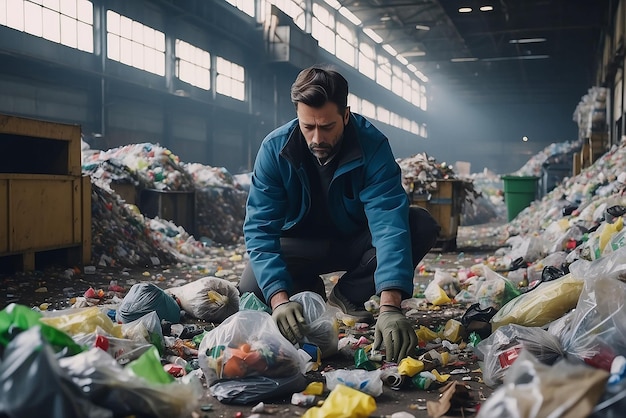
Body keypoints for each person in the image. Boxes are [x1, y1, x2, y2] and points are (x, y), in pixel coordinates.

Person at [239, 65, 440, 362]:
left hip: (354, 243)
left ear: (346, 115)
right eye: (308, 127)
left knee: (419, 224)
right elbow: (259, 229)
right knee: (253, 285)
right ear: (297, 115)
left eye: (327, 126)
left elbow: (388, 224)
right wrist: (279, 300)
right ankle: (307, 290)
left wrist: (390, 306)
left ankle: (347, 295)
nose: (317, 138)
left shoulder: (372, 146)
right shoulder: (275, 150)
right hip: (300, 245)